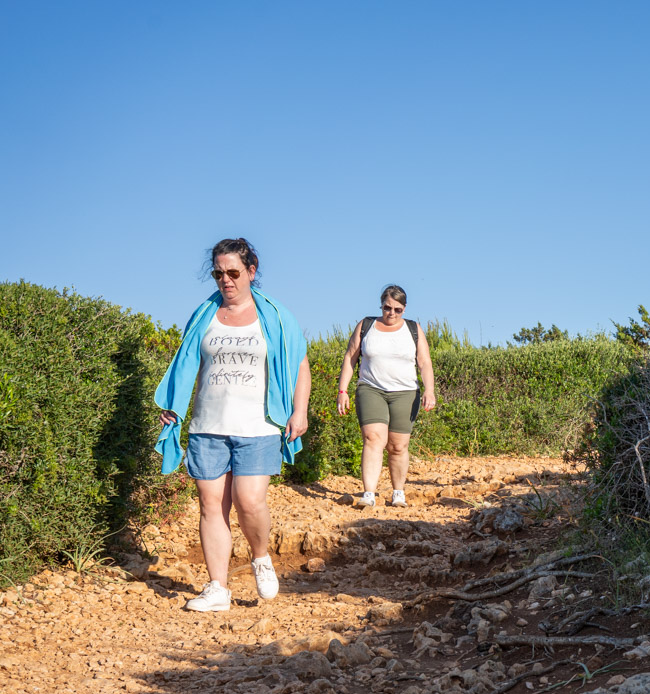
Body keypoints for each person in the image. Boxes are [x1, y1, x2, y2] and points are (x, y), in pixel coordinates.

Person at [153, 238, 311, 612]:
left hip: (259, 426)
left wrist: (299, 411)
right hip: (208, 425)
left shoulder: (275, 316)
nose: (226, 280)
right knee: (211, 506)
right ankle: (217, 588)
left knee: (249, 501)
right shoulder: (203, 316)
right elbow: (185, 365)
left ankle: (260, 557)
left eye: (233, 272)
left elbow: (300, 365)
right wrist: (174, 408)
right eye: (218, 273)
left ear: (251, 271)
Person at [335, 285, 438, 508]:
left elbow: (425, 362)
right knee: (373, 439)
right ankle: (369, 493)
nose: (391, 313)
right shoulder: (367, 325)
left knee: (398, 446)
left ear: (405, 309)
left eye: (397, 309)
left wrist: (429, 390)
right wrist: (342, 391)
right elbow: (350, 358)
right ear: (381, 305)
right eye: (387, 308)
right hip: (371, 389)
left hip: (405, 392)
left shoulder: (413, 329)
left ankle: (398, 492)